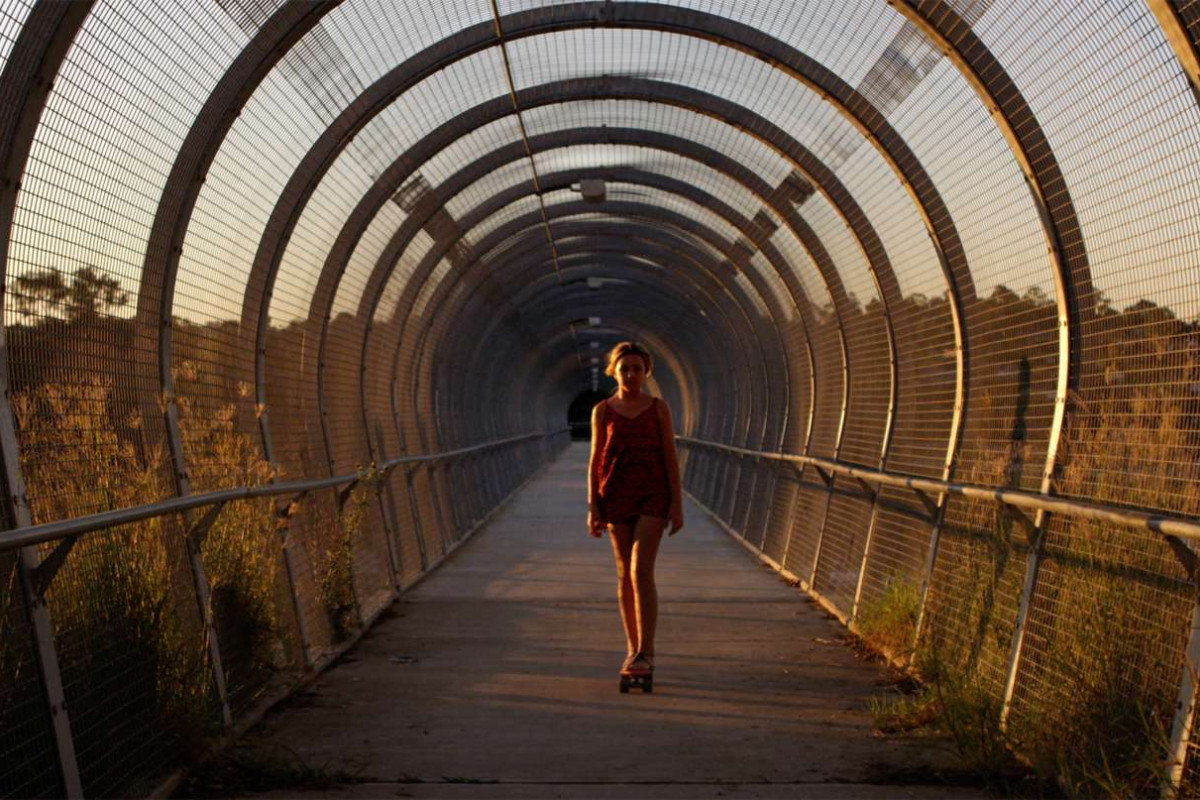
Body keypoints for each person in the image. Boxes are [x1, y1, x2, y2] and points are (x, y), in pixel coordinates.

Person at [587, 341, 684, 680]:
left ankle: (647, 650)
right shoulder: (602, 410)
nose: (631, 374)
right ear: (614, 370)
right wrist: (593, 505)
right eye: (625, 368)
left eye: (637, 369)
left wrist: (677, 503)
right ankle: (632, 648)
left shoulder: (658, 408)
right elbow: (595, 459)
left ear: (646, 373)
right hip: (614, 494)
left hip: (653, 495)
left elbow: (670, 457)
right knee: (623, 574)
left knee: (640, 571)